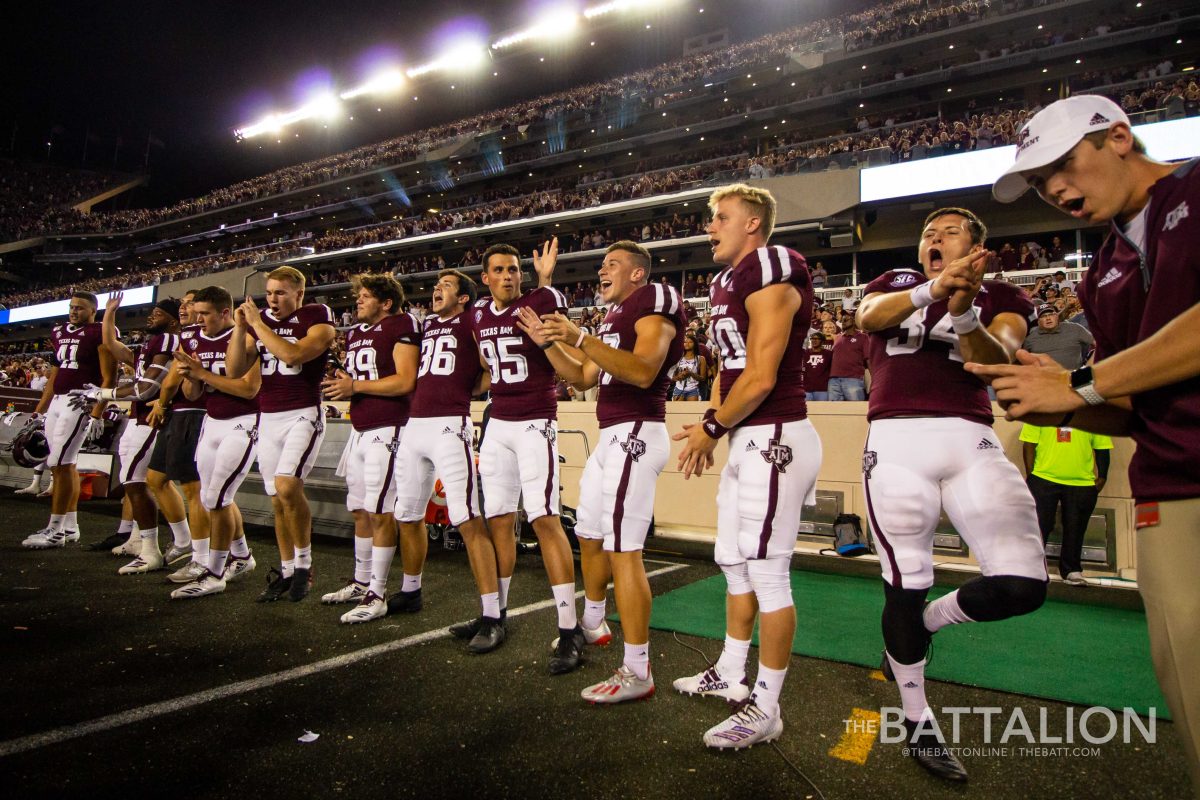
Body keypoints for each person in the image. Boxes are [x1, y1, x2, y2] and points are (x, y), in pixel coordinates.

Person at [976, 93, 1200, 794]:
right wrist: (1050, 399)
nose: (1058, 190)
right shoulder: (1100, 269)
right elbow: (1130, 405)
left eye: (1063, 166)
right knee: (1192, 684)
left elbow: (1106, 380)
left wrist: (1083, 382)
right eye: (1041, 183)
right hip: (1175, 484)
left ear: (1120, 137)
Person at [855, 207, 1048, 782]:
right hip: (896, 438)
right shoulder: (894, 282)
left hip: (972, 437)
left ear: (978, 247)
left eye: (951, 232)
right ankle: (918, 722)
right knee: (904, 584)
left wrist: (964, 315)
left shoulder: (1003, 296)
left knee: (1023, 585)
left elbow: (999, 359)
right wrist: (933, 291)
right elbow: (870, 317)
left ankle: (931, 623)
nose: (934, 238)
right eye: (928, 234)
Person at [673, 184, 821, 748]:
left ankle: (767, 705)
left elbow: (761, 376)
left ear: (754, 223)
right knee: (731, 558)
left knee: (767, 570)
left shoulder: (772, 265)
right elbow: (729, 371)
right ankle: (732, 672)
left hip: (777, 434)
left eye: (720, 217)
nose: (709, 226)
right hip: (748, 435)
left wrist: (713, 428)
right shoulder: (725, 280)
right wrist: (715, 421)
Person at [518, 240, 685, 703]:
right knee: (589, 534)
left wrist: (578, 336)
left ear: (637, 274)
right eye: (601, 264)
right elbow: (583, 376)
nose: (601, 271)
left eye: (612, 264)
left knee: (624, 550)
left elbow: (645, 370)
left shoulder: (654, 300)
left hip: (637, 431)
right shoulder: (612, 318)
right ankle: (593, 622)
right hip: (610, 435)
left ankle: (638, 670)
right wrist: (550, 341)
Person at [468, 240, 584, 672]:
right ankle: (494, 616)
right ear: (486, 277)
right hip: (497, 423)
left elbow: (554, 326)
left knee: (544, 519)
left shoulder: (542, 299)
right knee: (499, 519)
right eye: (499, 270)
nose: (508, 276)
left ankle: (569, 629)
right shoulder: (478, 313)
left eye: (514, 269)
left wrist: (546, 278)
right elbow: (484, 359)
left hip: (536, 422)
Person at [227, 266, 336, 602]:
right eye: (269, 292)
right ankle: (287, 569)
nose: (272, 299)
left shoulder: (316, 314)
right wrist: (240, 329)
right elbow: (234, 370)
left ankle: (304, 565)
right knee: (277, 498)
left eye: (280, 292)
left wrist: (258, 325)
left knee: (288, 484)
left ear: (298, 293)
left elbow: (293, 354)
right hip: (269, 416)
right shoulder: (259, 322)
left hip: (303, 411)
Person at [319, 274, 420, 622]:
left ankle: (378, 591)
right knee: (360, 509)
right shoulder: (359, 332)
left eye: (365, 296)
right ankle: (362, 582)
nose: (358, 301)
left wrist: (355, 385)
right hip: (360, 429)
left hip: (389, 428)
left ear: (386, 302)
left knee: (381, 511)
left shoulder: (401, 324)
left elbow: (406, 380)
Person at [391, 270, 488, 628]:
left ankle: (491, 610)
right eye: (436, 284)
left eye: (446, 285)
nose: (437, 289)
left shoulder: (471, 321)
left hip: (450, 424)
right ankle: (411, 588)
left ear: (463, 297)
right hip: (415, 424)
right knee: (407, 512)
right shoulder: (426, 324)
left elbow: (489, 366)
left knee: (466, 516)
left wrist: (470, 389)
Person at [76, 293, 182, 573]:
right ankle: (140, 540)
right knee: (133, 482)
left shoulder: (169, 340)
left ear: (172, 320)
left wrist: (102, 393)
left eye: (158, 313)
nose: (151, 317)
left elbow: (147, 389)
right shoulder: (153, 342)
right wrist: (110, 312)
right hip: (139, 419)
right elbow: (111, 344)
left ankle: (152, 549)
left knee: (136, 482)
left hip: (152, 418)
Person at [169, 286, 261, 599]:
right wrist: (191, 376)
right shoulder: (193, 339)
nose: (198, 318)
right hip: (212, 422)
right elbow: (192, 394)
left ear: (224, 312)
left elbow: (248, 389)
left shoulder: (246, 336)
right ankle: (243, 556)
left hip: (243, 422)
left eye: (205, 313)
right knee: (213, 498)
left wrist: (202, 373)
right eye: (197, 313)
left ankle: (214, 572)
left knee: (219, 497)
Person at [23, 292, 115, 549]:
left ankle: (55, 529)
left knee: (60, 463)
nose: (74, 311)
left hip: (81, 401)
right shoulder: (59, 331)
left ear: (93, 310)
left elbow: (110, 376)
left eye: (80, 308)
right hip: (58, 401)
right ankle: (70, 526)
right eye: (71, 307)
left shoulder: (100, 331)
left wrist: (98, 410)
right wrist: (40, 409)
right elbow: (55, 375)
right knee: (63, 465)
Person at [145, 290, 214, 582]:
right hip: (177, 412)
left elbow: (179, 380)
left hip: (196, 414)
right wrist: (162, 403)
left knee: (195, 490)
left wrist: (162, 401)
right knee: (156, 478)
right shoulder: (188, 336)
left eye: (189, 303)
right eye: (182, 303)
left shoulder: (208, 335)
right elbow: (174, 377)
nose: (183, 308)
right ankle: (185, 540)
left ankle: (204, 556)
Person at [1020, 423, 1112, 585]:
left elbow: (1102, 447)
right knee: (1039, 526)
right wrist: (1032, 476)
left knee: (1075, 527)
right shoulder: (1040, 407)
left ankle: (1071, 570)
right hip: (1043, 478)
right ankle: (1032, 569)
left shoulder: (1093, 414)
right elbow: (1029, 443)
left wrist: (1102, 477)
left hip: (1081, 482)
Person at [1022, 304, 1093, 369]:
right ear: (1038, 321)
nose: (1048, 318)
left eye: (1051, 314)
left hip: (1076, 378)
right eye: (1043, 316)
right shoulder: (1030, 339)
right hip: (1046, 379)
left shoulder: (1075, 328)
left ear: (1056, 316)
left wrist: (1088, 367)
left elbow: (1099, 343)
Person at [827, 317, 869, 400]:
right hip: (834, 380)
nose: (843, 322)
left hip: (853, 378)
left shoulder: (863, 337)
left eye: (846, 320)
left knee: (856, 410)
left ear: (854, 321)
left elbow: (868, 358)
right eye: (842, 320)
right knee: (833, 411)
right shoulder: (837, 337)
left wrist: (874, 377)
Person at [669, 333, 706, 400]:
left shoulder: (701, 359)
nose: (687, 344)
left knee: (693, 410)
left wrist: (691, 373)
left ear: (695, 344)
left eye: (690, 342)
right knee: (676, 410)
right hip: (678, 389)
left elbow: (703, 378)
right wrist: (678, 377)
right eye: (685, 342)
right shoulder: (678, 358)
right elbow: (671, 377)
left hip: (693, 390)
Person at [803, 332, 833, 401]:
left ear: (822, 341)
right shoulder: (805, 353)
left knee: (822, 410)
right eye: (812, 339)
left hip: (822, 389)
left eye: (817, 339)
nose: (814, 340)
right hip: (807, 389)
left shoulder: (829, 354)